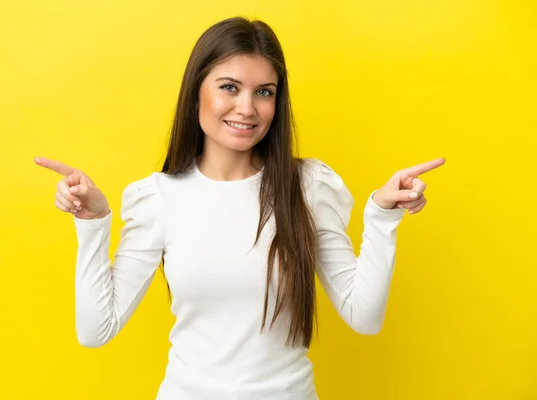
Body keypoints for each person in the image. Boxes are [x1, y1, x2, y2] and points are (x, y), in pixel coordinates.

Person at [35, 16, 445, 400]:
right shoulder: (158, 197)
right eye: (229, 87)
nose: (247, 107)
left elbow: (364, 317)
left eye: (263, 92)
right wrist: (92, 223)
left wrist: (382, 216)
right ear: (197, 90)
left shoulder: (308, 187)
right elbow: (96, 330)